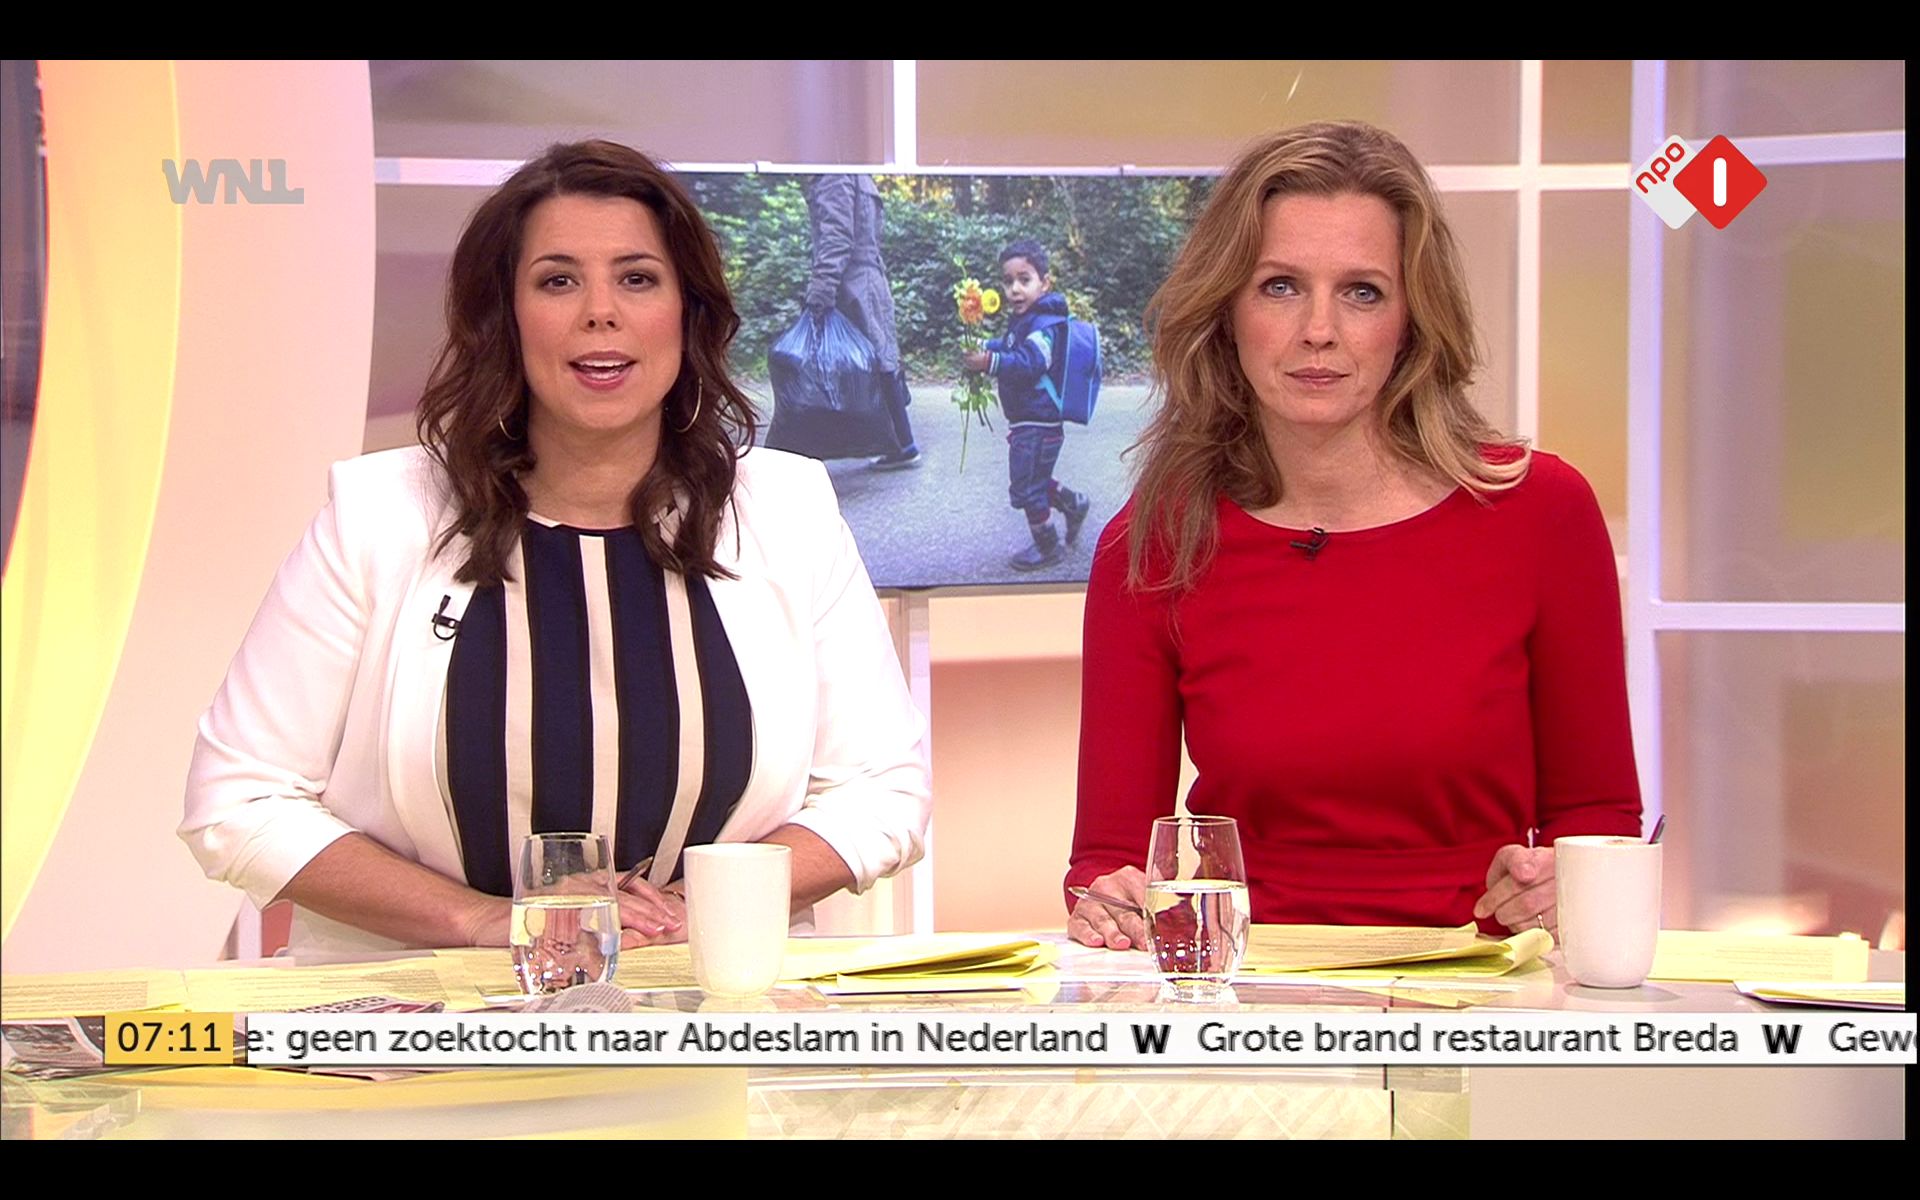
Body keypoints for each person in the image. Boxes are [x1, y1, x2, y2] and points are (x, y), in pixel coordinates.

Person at [182, 141, 931, 957]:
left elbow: (881, 791)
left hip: (709, 993)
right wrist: (488, 922)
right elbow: (240, 800)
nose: (600, 312)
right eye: (558, 281)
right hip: (428, 1011)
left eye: (637, 278)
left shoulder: (787, 510)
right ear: (503, 317)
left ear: (689, 312)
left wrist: (685, 913)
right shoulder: (378, 516)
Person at [1066, 122, 1641, 950]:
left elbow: (1598, 816)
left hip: (1489, 980)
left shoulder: (1540, 512)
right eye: (1280, 286)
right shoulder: (1155, 544)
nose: (1319, 330)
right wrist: (1108, 904)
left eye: (1362, 292)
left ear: (1412, 318)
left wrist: (1562, 882)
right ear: (1226, 311)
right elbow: (1109, 861)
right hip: (1250, 986)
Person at [961, 239, 1093, 571]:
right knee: (1035, 479)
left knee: (1027, 488)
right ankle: (1072, 503)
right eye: (1008, 281)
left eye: (1024, 279)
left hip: (1038, 422)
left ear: (1044, 283)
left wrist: (988, 362)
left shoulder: (1044, 325)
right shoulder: (1026, 320)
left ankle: (1048, 547)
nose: (1015, 289)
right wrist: (985, 346)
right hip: (1030, 421)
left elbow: (1030, 363)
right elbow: (1010, 345)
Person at [802, 174, 921, 470]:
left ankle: (901, 444)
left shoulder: (834, 176)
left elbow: (837, 238)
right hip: (868, 277)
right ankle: (900, 442)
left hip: (852, 281)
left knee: (871, 361)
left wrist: (821, 290)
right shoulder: (857, 174)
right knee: (879, 357)